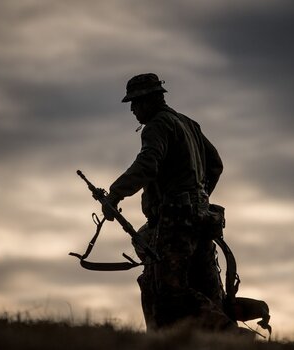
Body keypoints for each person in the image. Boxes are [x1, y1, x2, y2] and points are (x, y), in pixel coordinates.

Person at [102, 73, 238, 331]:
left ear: (151, 100)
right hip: (201, 219)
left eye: (136, 102)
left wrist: (115, 194)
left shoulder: (157, 125)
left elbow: (147, 164)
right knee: (206, 289)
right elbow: (215, 164)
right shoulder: (187, 123)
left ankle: (230, 334)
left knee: (168, 289)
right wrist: (199, 196)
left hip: (176, 221)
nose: (132, 109)